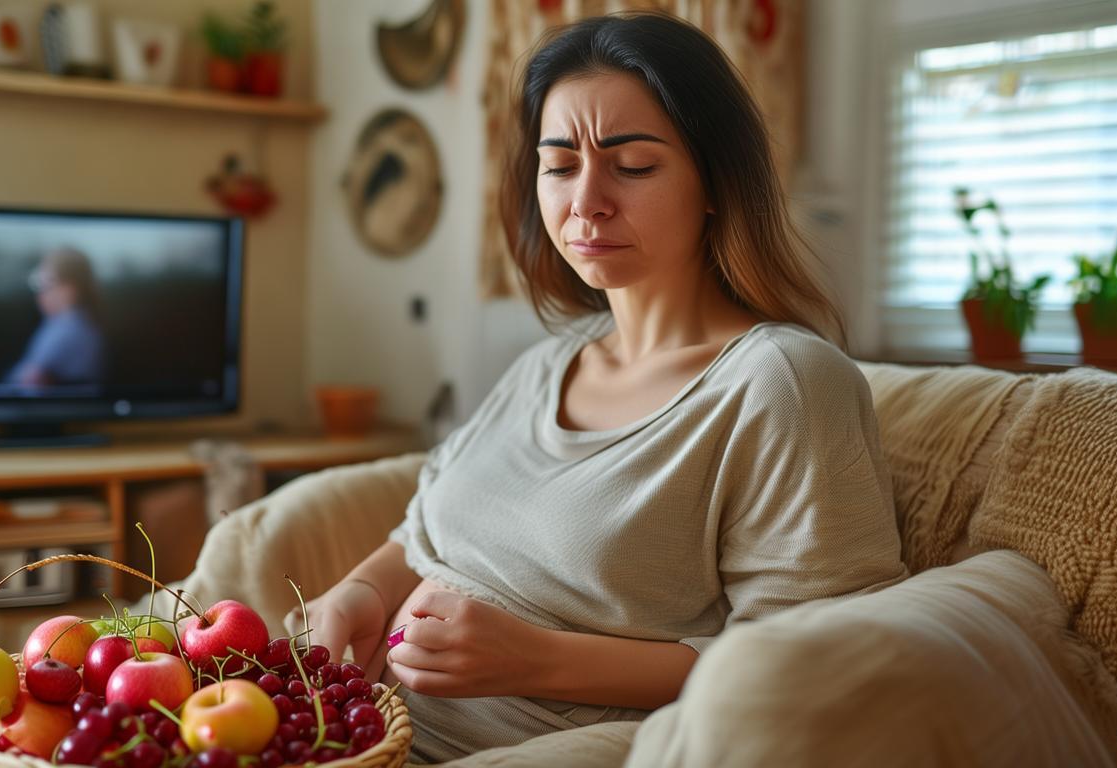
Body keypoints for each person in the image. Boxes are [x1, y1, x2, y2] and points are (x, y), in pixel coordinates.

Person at [293, 11, 909, 763]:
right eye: (560, 165)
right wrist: (359, 592)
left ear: (715, 181)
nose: (586, 201)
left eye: (634, 165)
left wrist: (539, 660)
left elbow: (808, 663)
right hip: (345, 725)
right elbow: (421, 534)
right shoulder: (548, 365)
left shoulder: (781, 382)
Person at [5, 246, 105, 389]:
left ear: (69, 289)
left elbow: (31, 380)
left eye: (45, 283)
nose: (40, 293)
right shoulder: (65, 323)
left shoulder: (69, 328)